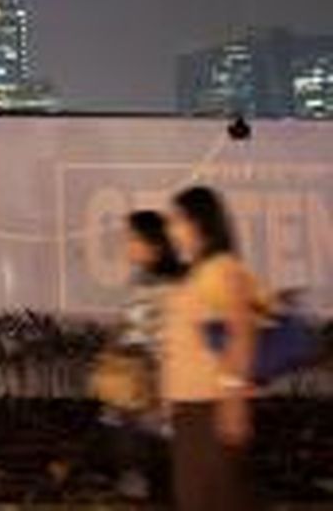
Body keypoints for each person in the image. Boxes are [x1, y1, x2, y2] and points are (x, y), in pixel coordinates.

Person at [162, 186, 261, 511]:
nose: (170, 229)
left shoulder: (221, 270)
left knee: (212, 500)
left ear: (199, 223)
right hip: (191, 409)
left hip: (211, 408)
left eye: (177, 220)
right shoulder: (198, 273)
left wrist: (233, 404)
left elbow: (241, 334)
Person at [104, 210, 185, 500]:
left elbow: (151, 343)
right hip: (143, 397)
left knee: (155, 477)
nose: (127, 245)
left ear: (155, 244)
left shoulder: (158, 285)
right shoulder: (149, 279)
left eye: (133, 239)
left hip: (150, 398)